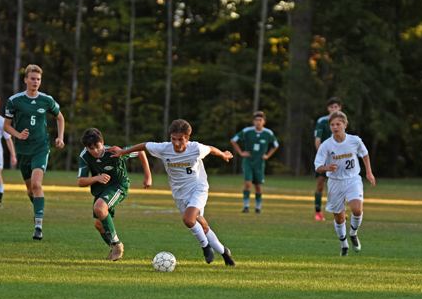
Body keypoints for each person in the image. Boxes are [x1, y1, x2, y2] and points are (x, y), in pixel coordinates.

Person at [107, 119, 236, 266]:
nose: (176, 143)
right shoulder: (164, 148)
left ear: (187, 138)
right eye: (173, 139)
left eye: (180, 140)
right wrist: (123, 152)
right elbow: (144, 145)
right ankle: (225, 253)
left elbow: (211, 149)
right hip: (179, 194)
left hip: (198, 189)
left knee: (188, 219)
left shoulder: (196, 148)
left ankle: (206, 248)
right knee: (203, 226)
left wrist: (223, 155)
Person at [4, 64, 65, 240]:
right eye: (32, 78)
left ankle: (38, 225)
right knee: (31, 190)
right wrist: (18, 134)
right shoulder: (15, 100)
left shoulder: (47, 100)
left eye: (38, 79)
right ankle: (38, 206)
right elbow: (6, 126)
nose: (35, 82)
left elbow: (60, 118)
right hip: (23, 150)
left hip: (41, 147)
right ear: (26, 80)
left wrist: (60, 137)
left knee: (37, 185)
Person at [77, 128, 152, 261]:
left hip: (119, 185)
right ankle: (114, 247)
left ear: (102, 142)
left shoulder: (114, 152)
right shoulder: (84, 156)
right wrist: (96, 178)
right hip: (101, 188)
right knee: (98, 224)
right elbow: (80, 181)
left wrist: (148, 175)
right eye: (91, 148)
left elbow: (140, 150)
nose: (95, 151)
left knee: (99, 208)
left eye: (97, 147)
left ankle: (117, 244)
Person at [314, 111, 375, 256]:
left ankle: (353, 234)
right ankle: (344, 245)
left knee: (357, 209)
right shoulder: (326, 145)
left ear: (345, 125)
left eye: (338, 124)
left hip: (353, 179)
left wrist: (369, 172)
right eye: (332, 125)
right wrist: (327, 167)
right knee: (339, 218)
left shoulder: (354, 140)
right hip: (335, 183)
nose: (335, 127)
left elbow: (364, 154)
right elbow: (317, 166)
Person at [230, 111, 279, 213]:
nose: (258, 122)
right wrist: (241, 153)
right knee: (247, 183)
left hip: (259, 162)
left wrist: (268, 155)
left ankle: (258, 208)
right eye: (256, 120)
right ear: (253, 121)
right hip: (248, 161)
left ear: (264, 121)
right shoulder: (247, 131)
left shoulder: (268, 133)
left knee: (258, 185)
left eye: (260, 120)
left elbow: (276, 145)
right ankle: (246, 206)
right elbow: (233, 140)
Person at [314, 97, 342, 220]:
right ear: (328, 108)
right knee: (321, 183)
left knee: (341, 185)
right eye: (331, 107)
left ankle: (339, 211)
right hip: (326, 158)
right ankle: (318, 212)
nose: (333, 109)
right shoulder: (322, 121)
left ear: (339, 108)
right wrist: (322, 157)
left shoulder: (343, 121)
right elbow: (317, 140)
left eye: (336, 107)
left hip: (339, 159)